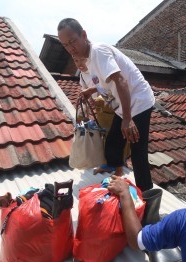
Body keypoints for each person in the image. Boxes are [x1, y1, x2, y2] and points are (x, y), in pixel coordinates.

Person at [58, 18, 155, 191]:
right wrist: (90, 91)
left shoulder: (98, 52)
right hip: (122, 104)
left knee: (137, 148)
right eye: (65, 45)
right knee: (113, 140)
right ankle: (113, 166)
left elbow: (121, 81)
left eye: (72, 41)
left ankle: (146, 194)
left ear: (84, 35)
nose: (71, 48)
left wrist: (127, 119)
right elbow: (105, 82)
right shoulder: (87, 63)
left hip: (139, 101)